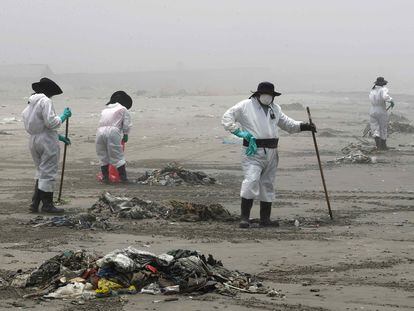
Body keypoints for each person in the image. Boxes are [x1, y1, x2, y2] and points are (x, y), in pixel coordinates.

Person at [222, 81, 316, 228]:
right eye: (265, 94)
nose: (268, 97)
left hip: (272, 151)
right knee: (251, 180)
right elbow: (227, 117)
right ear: (258, 94)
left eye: (271, 95)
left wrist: (304, 126)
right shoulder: (245, 106)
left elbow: (288, 124)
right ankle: (244, 218)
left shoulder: (275, 109)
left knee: (268, 184)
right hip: (253, 150)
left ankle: (265, 219)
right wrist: (238, 132)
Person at [22, 77, 72, 213]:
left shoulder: (30, 104)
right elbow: (51, 123)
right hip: (46, 141)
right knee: (48, 171)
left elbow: (37, 125)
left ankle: (34, 203)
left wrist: (59, 137)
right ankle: (47, 205)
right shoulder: (46, 101)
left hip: (34, 140)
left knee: (40, 170)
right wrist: (64, 116)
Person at [96, 91, 132, 183]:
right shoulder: (123, 109)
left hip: (100, 132)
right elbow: (126, 124)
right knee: (117, 154)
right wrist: (126, 134)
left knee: (103, 154)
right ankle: (123, 179)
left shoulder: (105, 110)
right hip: (113, 131)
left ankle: (105, 177)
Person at [369, 77, 395, 150]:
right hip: (381, 110)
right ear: (383, 84)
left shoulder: (372, 90)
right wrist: (391, 101)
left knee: (374, 127)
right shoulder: (383, 89)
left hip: (372, 110)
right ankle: (383, 146)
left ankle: (378, 145)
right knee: (383, 128)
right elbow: (385, 97)